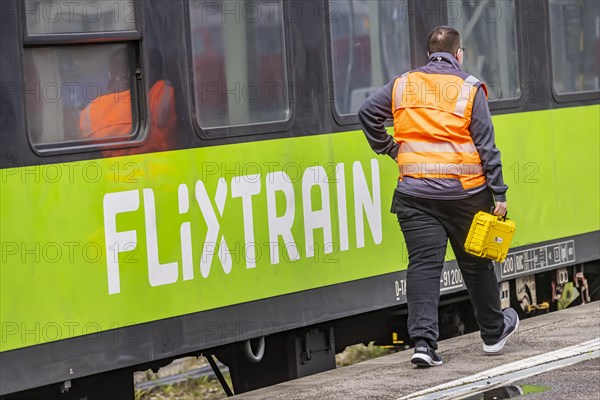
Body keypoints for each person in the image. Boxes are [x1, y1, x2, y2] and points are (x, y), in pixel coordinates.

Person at [358, 26, 518, 367]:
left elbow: (367, 113)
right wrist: (499, 191)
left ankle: (424, 345)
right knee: (476, 264)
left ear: (430, 53)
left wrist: (390, 148)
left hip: (414, 194)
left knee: (424, 267)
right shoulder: (469, 88)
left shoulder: (403, 84)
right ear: (458, 54)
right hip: (465, 195)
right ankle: (492, 333)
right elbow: (486, 146)